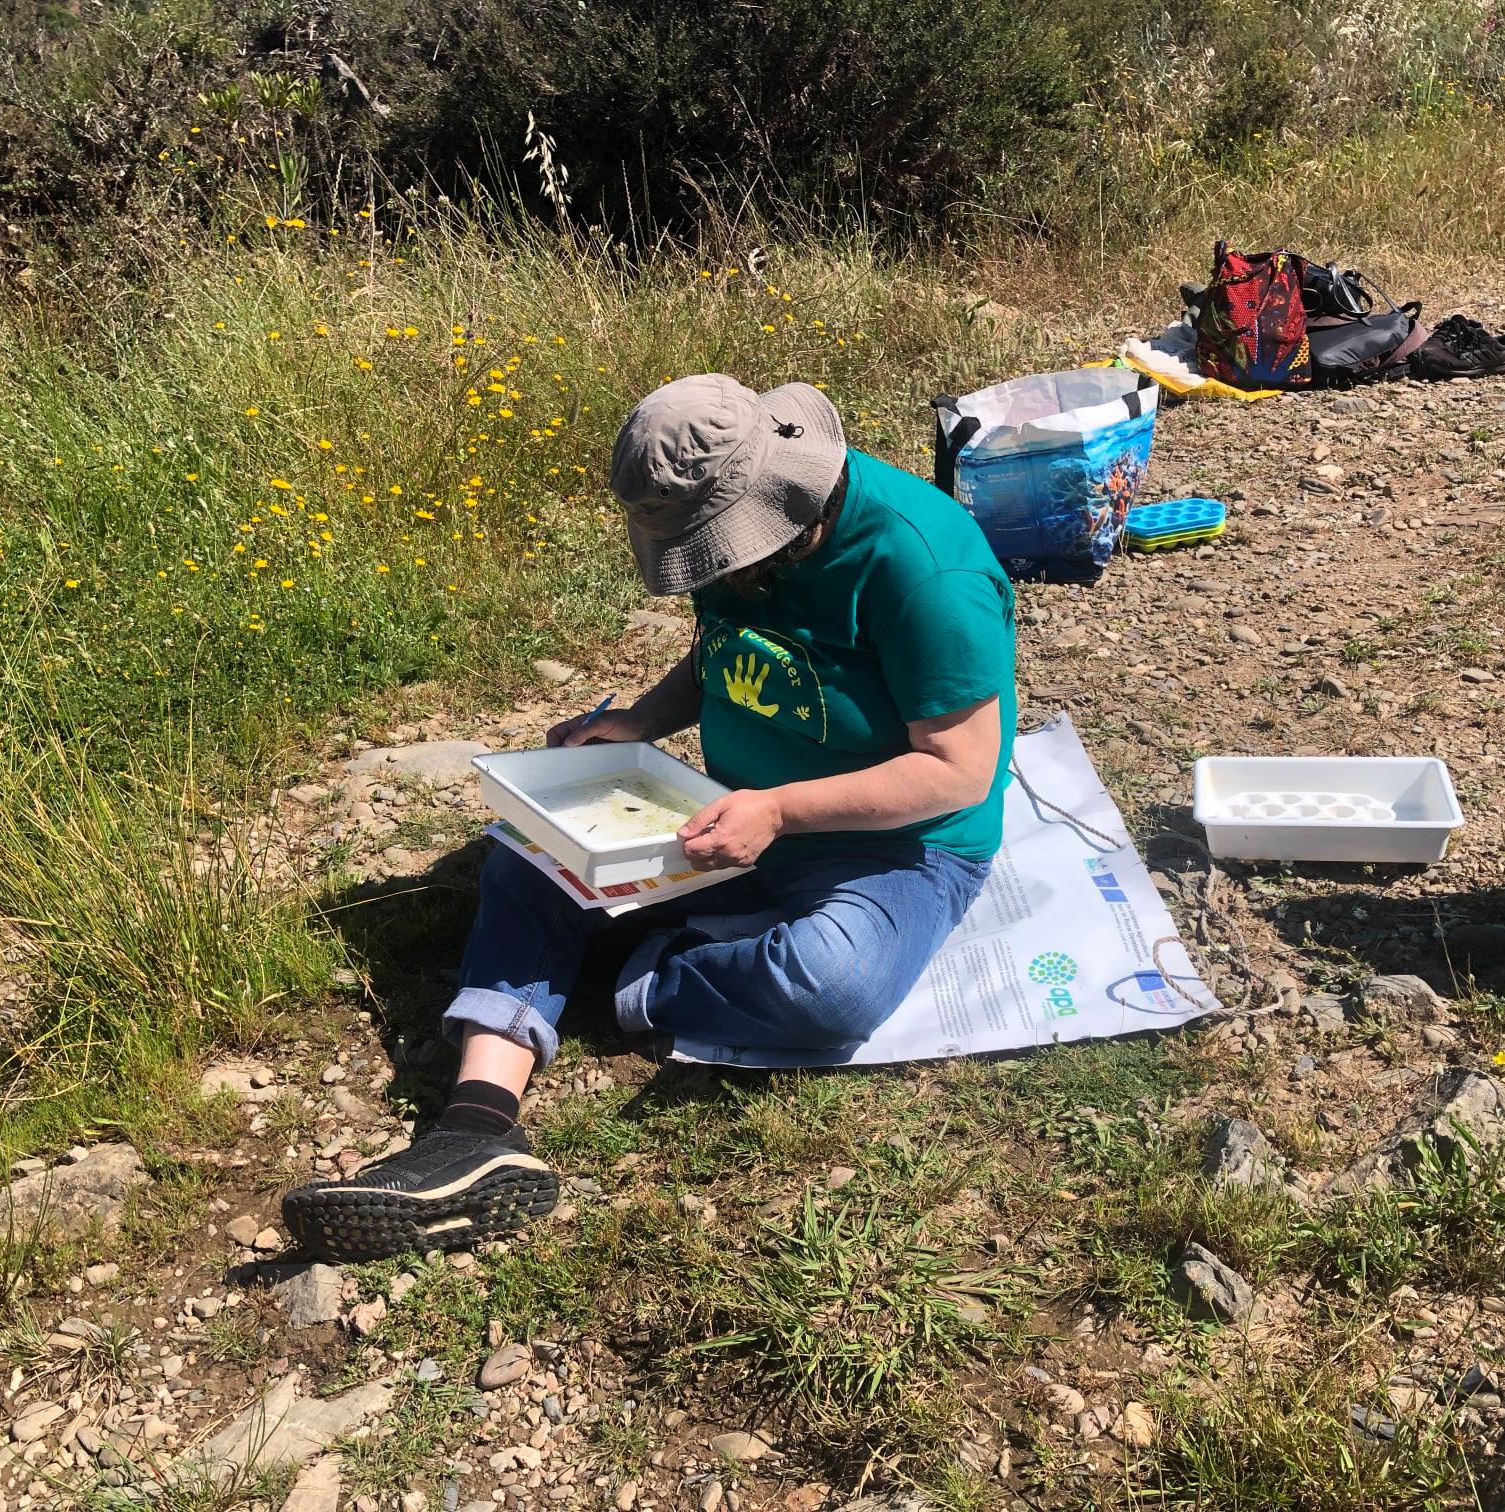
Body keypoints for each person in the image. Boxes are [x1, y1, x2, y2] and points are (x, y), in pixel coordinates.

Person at [283, 374, 1017, 1261]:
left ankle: (616, 968)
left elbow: (957, 772)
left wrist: (781, 810)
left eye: (723, 552)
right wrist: (638, 724)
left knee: (834, 987)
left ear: (783, 503)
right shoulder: (748, 546)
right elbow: (720, 656)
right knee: (527, 855)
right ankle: (475, 1126)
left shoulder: (925, 568)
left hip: (896, 847)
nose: (718, 573)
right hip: (735, 816)